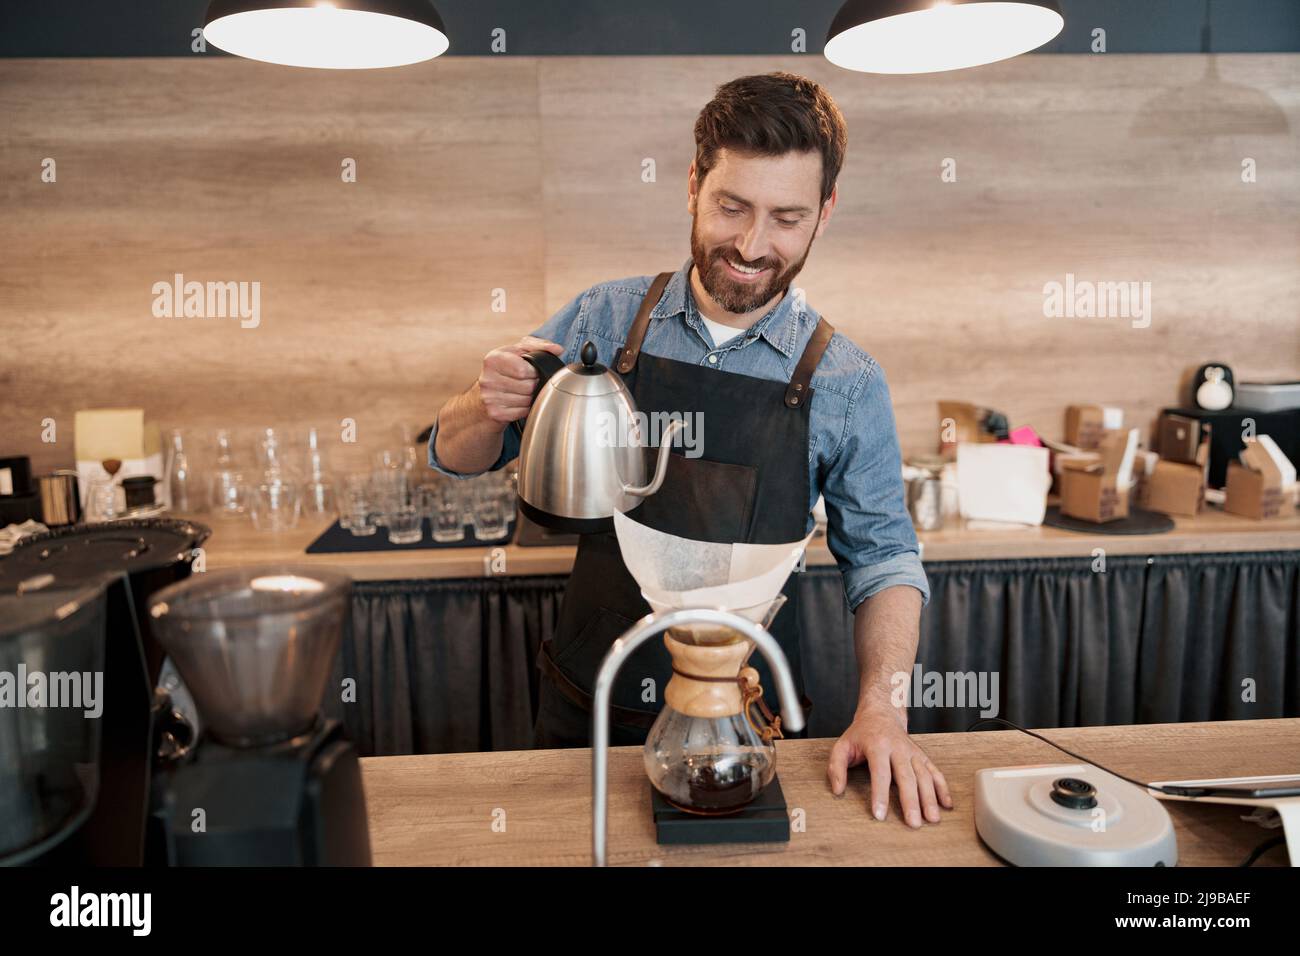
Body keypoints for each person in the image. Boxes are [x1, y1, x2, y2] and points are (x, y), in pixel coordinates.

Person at [430, 72, 951, 828]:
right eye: (732, 207)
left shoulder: (846, 381)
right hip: (589, 710)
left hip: (744, 727)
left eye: (785, 218)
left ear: (824, 214)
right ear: (693, 186)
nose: (750, 244)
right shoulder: (602, 322)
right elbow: (457, 455)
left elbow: (885, 561)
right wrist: (483, 402)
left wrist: (886, 712)